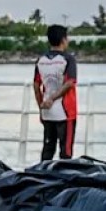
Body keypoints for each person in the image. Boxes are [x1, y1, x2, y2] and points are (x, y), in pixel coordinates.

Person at [33, 24, 78, 161]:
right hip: (65, 111)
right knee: (66, 151)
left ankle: (42, 176)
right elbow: (69, 82)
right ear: (63, 39)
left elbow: (36, 85)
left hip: (47, 111)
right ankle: (63, 179)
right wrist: (53, 98)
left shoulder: (41, 61)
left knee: (48, 149)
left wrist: (41, 104)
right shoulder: (68, 59)